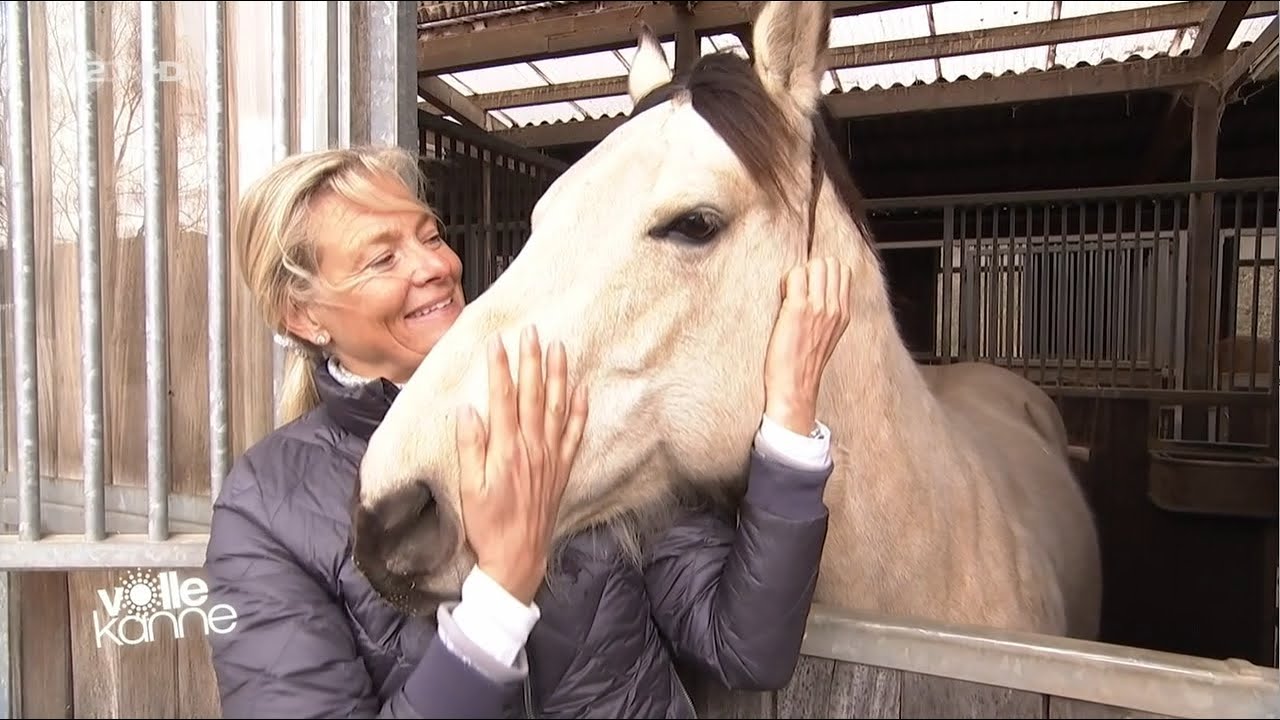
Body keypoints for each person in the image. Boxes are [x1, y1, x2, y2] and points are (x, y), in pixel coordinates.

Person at [203, 144, 855, 719]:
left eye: (430, 236)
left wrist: (789, 414)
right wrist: (501, 592)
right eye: (382, 259)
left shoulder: (573, 407)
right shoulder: (266, 509)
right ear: (304, 316)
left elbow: (747, 648)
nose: (434, 266)